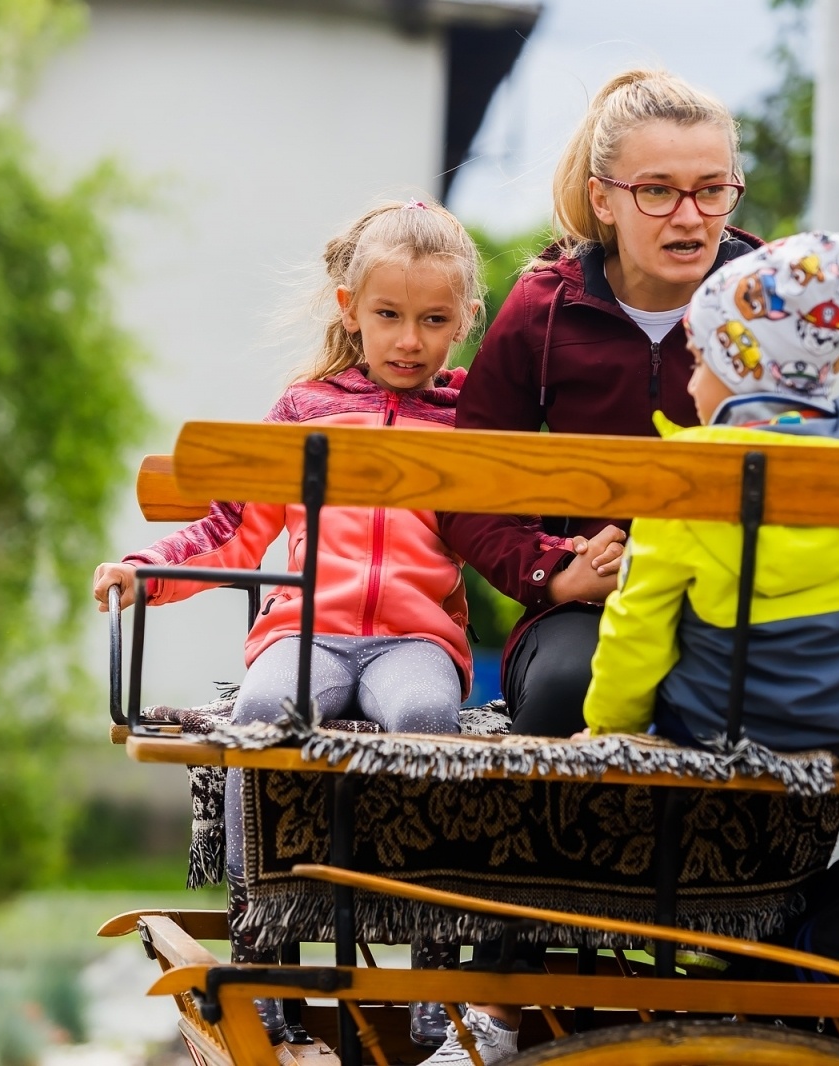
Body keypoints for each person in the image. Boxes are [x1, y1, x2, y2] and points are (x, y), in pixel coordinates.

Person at [91, 200, 483, 1049]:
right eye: (388, 316)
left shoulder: (467, 417)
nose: (409, 340)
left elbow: (504, 533)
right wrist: (145, 575)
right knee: (259, 720)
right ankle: (265, 958)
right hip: (305, 631)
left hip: (414, 639)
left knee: (426, 723)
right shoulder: (308, 406)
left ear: (465, 321)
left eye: (433, 320)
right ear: (350, 309)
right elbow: (236, 528)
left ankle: (431, 971)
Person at [583, 233, 839, 758]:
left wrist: (607, 728)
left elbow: (638, 625)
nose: (691, 386)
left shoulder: (692, 471)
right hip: (835, 734)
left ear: (742, 367)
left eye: (699, 361)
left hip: (711, 726)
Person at [440, 68, 762, 747]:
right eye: (657, 191)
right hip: (586, 611)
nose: (689, 216)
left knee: (778, 697)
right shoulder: (541, 312)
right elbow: (470, 486)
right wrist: (553, 571)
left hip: (738, 603)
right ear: (604, 200)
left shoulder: (770, 299)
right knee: (570, 684)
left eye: (712, 191)